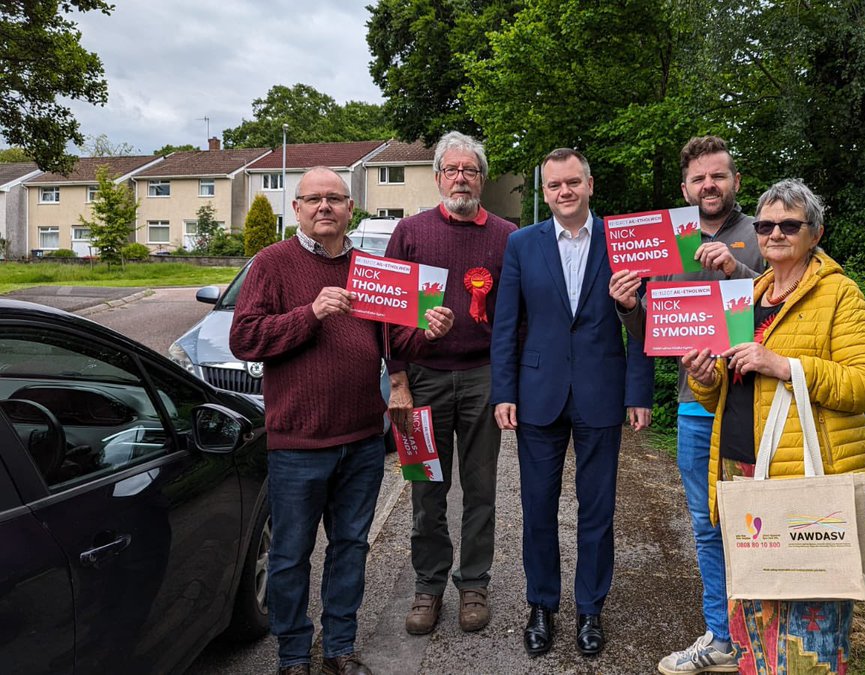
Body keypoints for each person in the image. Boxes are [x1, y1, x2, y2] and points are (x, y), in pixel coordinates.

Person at [230, 167, 454, 675]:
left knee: (350, 548)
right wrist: (309, 314)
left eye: (335, 199)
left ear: (351, 208)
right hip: (297, 441)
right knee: (290, 554)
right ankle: (292, 655)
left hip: (361, 439)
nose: (324, 207)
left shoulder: (371, 269)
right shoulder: (271, 264)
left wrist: (430, 330)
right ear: (298, 209)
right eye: (314, 199)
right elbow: (244, 339)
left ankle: (339, 650)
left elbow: (393, 343)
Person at [681, 179, 865, 674]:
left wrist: (784, 364)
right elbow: (728, 389)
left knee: (808, 622)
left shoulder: (839, 293)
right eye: (766, 224)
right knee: (753, 609)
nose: (774, 233)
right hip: (742, 472)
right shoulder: (747, 295)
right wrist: (705, 379)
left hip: (803, 479)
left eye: (788, 224)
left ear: (814, 233)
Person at [608, 135, 764, 674]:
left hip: (757, 405)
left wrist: (735, 272)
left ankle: (764, 633)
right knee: (705, 522)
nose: (709, 186)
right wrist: (630, 305)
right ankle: (722, 637)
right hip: (695, 403)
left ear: (735, 181)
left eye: (718, 176)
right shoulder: (669, 241)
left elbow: (782, 307)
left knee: (758, 520)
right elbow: (655, 329)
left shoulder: (762, 231)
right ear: (685, 188)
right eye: (699, 179)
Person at [490, 148, 655, 658]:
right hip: (537, 396)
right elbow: (505, 325)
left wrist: (639, 391)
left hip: (601, 392)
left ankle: (590, 609)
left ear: (589, 185)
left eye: (573, 182)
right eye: (555, 185)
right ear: (545, 191)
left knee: (598, 510)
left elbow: (643, 323)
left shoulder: (623, 241)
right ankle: (541, 606)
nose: (565, 192)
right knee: (537, 508)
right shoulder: (522, 243)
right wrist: (504, 391)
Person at [383, 131, 517, 636]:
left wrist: (509, 386)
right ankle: (428, 586)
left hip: (484, 378)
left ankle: (475, 582)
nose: (461, 177)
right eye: (452, 170)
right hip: (423, 380)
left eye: (471, 170)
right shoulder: (411, 233)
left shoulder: (507, 236)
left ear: (482, 178)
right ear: (438, 176)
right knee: (425, 489)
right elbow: (385, 315)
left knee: (481, 490)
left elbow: (516, 318)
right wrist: (397, 379)